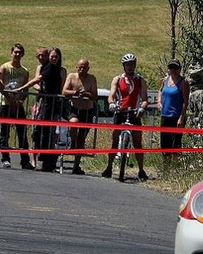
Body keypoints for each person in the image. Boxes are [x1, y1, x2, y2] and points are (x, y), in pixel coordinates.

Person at [15, 47, 65, 172]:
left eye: (55, 57)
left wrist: (22, 87)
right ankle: (39, 160)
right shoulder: (46, 67)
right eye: (51, 56)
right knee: (38, 132)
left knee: (47, 133)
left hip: (50, 105)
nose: (52, 59)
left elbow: (38, 79)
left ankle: (47, 161)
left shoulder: (52, 68)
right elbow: (38, 81)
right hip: (44, 103)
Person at [102, 53, 149, 181]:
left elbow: (145, 99)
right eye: (127, 65)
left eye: (132, 64)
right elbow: (111, 95)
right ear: (124, 66)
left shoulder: (140, 80)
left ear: (135, 65)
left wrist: (142, 108)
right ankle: (109, 167)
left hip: (134, 112)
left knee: (138, 142)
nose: (129, 67)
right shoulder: (117, 79)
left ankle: (141, 170)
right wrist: (111, 104)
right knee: (115, 140)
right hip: (120, 112)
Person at [0, 43, 34, 170]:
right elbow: (1, 86)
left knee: (22, 134)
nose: (17, 54)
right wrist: (11, 100)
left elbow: (25, 88)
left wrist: (20, 101)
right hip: (6, 104)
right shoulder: (4, 67)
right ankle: (5, 159)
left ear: (23, 54)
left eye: (20, 52)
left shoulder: (24, 71)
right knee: (4, 133)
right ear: (11, 53)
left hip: (18, 105)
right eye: (15, 52)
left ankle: (25, 161)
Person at [62, 58, 98, 175]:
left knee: (82, 138)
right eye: (80, 67)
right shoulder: (72, 76)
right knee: (73, 123)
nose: (82, 69)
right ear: (76, 67)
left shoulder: (92, 78)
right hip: (74, 109)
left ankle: (76, 165)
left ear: (88, 68)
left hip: (87, 111)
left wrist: (87, 94)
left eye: (85, 67)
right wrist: (75, 93)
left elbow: (95, 95)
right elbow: (64, 91)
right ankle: (73, 140)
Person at [156, 59, 190, 160]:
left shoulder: (183, 82)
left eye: (175, 68)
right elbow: (160, 91)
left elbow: (185, 101)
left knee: (175, 143)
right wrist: (159, 101)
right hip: (165, 115)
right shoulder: (164, 80)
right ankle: (166, 166)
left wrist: (181, 117)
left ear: (179, 69)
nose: (173, 70)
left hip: (176, 116)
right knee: (164, 143)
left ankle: (174, 167)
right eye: (171, 67)